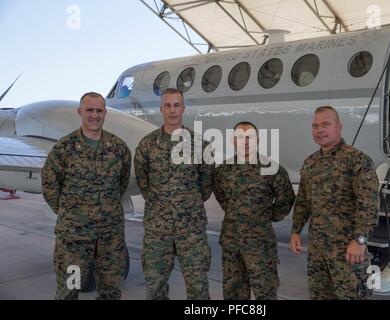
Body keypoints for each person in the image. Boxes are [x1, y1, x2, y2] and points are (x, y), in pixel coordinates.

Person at [42, 92, 131, 300]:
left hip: (110, 237)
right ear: (80, 112)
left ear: (105, 113)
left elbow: (122, 182)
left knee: (110, 290)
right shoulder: (64, 149)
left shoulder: (118, 148)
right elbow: (49, 186)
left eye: (99, 110)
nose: (94, 115)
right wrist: (71, 214)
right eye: (90, 110)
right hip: (74, 239)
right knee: (69, 290)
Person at [290, 106, 379, 300]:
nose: (319, 130)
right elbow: (303, 201)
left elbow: (369, 204)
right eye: (315, 126)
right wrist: (296, 230)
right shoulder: (310, 163)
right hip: (318, 253)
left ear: (339, 126)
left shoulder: (357, 160)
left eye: (325, 125)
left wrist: (360, 240)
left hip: (349, 252)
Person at [134, 88, 214, 300]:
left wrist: (188, 204)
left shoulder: (200, 144)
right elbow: (144, 184)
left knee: (198, 287)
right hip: (158, 230)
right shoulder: (147, 145)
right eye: (167, 105)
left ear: (183, 108)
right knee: (155, 286)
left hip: (191, 229)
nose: (172, 110)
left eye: (176, 105)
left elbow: (206, 185)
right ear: (161, 108)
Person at [214, 121, 295, 299]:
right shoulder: (223, 170)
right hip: (231, 243)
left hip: (260, 244)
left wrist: (265, 217)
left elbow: (286, 199)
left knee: (265, 291)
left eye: (249, 137)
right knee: (233, 292)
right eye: (240, 137)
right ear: (233, 141)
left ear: (257, 140)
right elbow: (221, 196)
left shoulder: (272, 169)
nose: (245, 141)